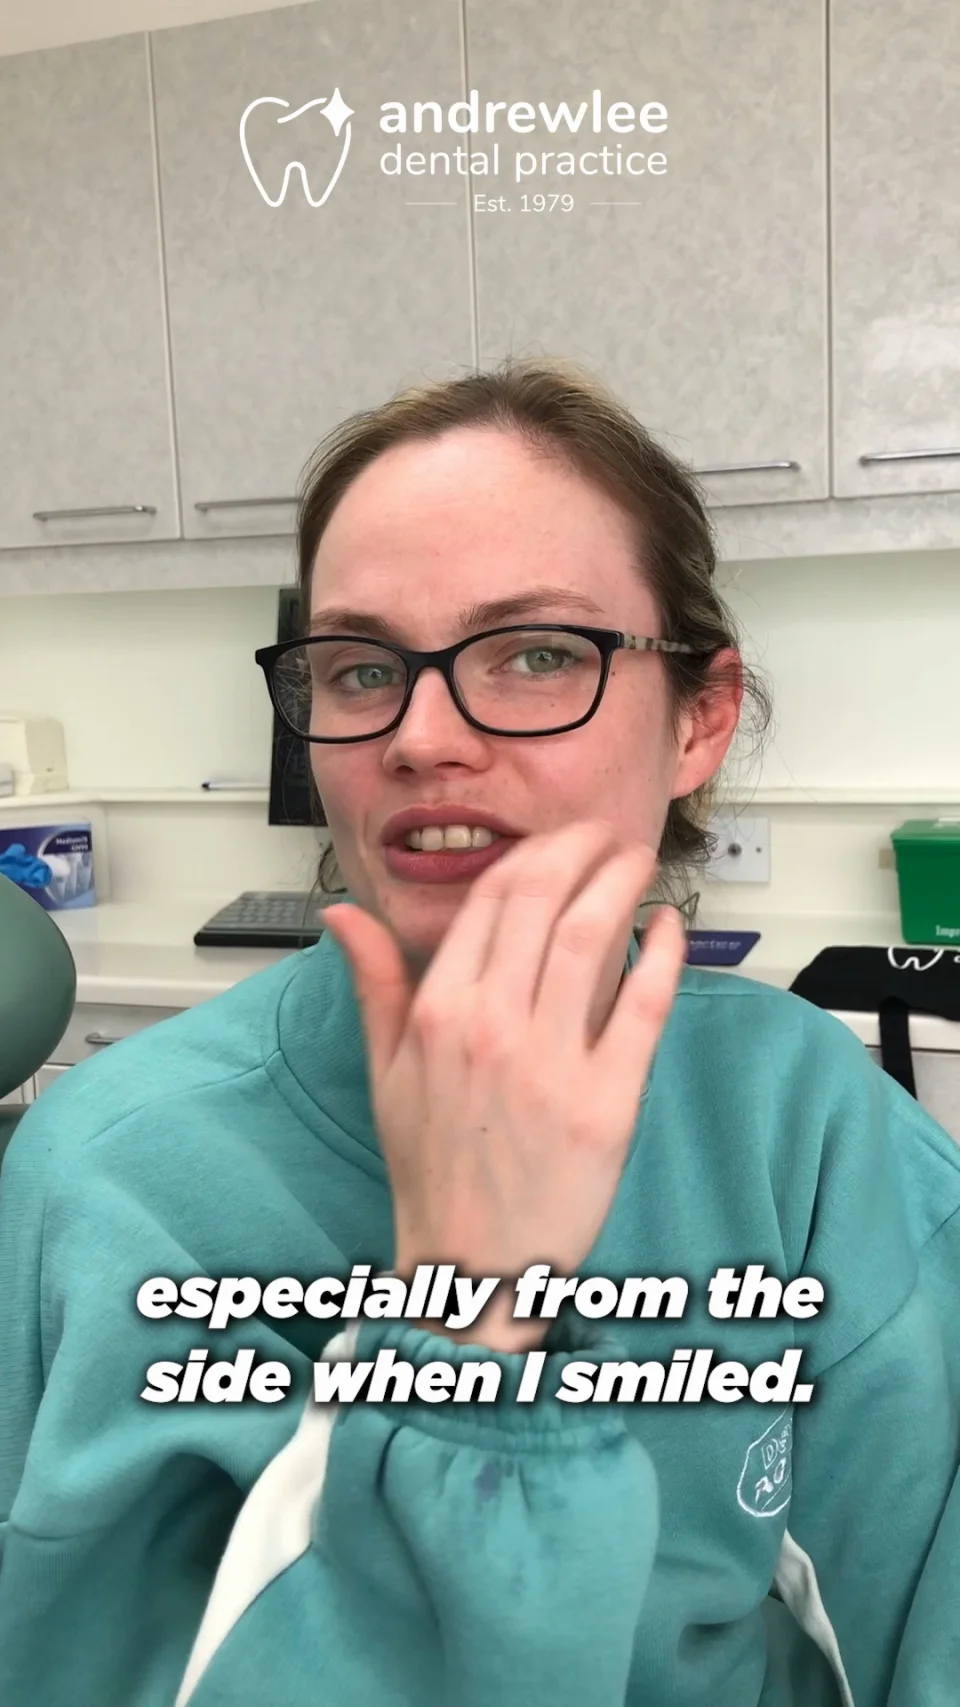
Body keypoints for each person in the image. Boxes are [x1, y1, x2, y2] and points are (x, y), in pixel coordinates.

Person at [1, 359, 958, 1707]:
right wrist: (471, 1317)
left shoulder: (806, 1125)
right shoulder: (114, 1181)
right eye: (361, 668)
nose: (423, 736)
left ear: (698, 719)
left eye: (539, 653)